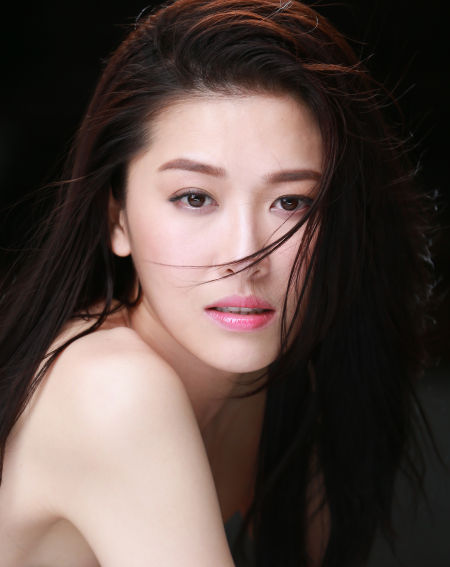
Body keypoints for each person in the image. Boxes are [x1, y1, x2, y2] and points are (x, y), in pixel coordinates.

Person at [0, 0, 433, 565]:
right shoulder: (112, 389)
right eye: (195, 198)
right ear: (116, 219)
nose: (246, 256)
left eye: (291, 202)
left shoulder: (282, 378)